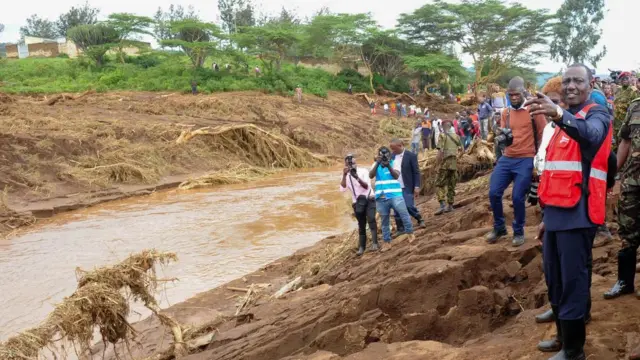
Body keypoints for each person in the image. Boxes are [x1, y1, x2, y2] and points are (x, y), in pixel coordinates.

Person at [528, 64, 611, 360]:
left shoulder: (596, 115)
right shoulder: (562, 125)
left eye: (578, 81)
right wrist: (546, 219)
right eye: (566, 81)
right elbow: (554, 174)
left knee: (573, 283)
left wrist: (558, 114)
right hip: (556, 216)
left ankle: (574, 350)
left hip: (579, 215)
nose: (571, 86)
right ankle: (563, 337)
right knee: (555, 279)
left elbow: (590, 136)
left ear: (590, 85)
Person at [487, 77, 546, 247]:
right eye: (510, 94)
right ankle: (499, 227)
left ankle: (518, 231)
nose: (513, 97)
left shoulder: (534, 111)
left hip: (526, 158)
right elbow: (506, 135)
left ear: (523, 92)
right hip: (508, 157)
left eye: (516, 94)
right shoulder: (506, 113)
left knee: (518, 197)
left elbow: (543, 134)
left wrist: (538, 161)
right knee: (494, 193)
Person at [603, 96, 640, 301]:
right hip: (632, 183)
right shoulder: (635, 105)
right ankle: (624, 282)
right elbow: (625, 140)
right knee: (627, 233)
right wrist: (612, 174)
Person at [369, 146, 415, 248]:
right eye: (381, 154)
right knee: (384, 220)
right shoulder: (375, 165)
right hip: (381, 197)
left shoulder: (395, 163)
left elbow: (396, 175)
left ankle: (410, 233)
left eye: (386, 154)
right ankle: (387, 242)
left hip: (395, 195)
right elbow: (371, 175)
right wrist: (377, 163)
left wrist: (388, 166)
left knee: (404, 214)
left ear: (390, 154)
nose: (384, 156)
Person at [340, 154, 378, 256]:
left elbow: (366, 186)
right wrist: (344, 175)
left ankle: (375, 243)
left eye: (352, 162)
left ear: (356, 162)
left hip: (369, 199)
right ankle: (362, 247)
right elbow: (343, 189)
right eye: (348, 163)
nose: (351, 165)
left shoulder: (363, 171)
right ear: (345, 164)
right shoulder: (346, 175)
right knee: (361, 225)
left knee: (371, 220)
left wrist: (356, 177)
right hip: (357, 203)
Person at [389, 139, 426, 232]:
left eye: (394, 148)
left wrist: (417, 186)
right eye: (391, 149)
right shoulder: (391, 157)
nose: (392, 150)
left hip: (407, 186)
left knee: (408, 205)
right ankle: (400, 228)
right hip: (395, 187)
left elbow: (416, 172)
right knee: (396, 208)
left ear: (400, 145)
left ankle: (419, 218)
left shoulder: (411, 156)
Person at [435, 120, 462, 215]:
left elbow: (440, 151)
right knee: (451, 184)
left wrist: (437, 165)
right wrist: (456, 158)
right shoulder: (457, 136)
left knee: (439, 184)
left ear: (443, 126)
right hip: (454, 165)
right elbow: (462, 149)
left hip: (445, 164)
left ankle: (442, 205)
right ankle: (450, 205)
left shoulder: (442, 135)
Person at [614, 72, 640, 148]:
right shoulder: (618, 89)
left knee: (626, 144)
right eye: (622, 79)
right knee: (617, 143)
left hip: (626, 123)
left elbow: (636, 107)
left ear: (630, 79)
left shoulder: (633, 91)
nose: (624, 80)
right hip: (616, 122)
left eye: (626, 78)